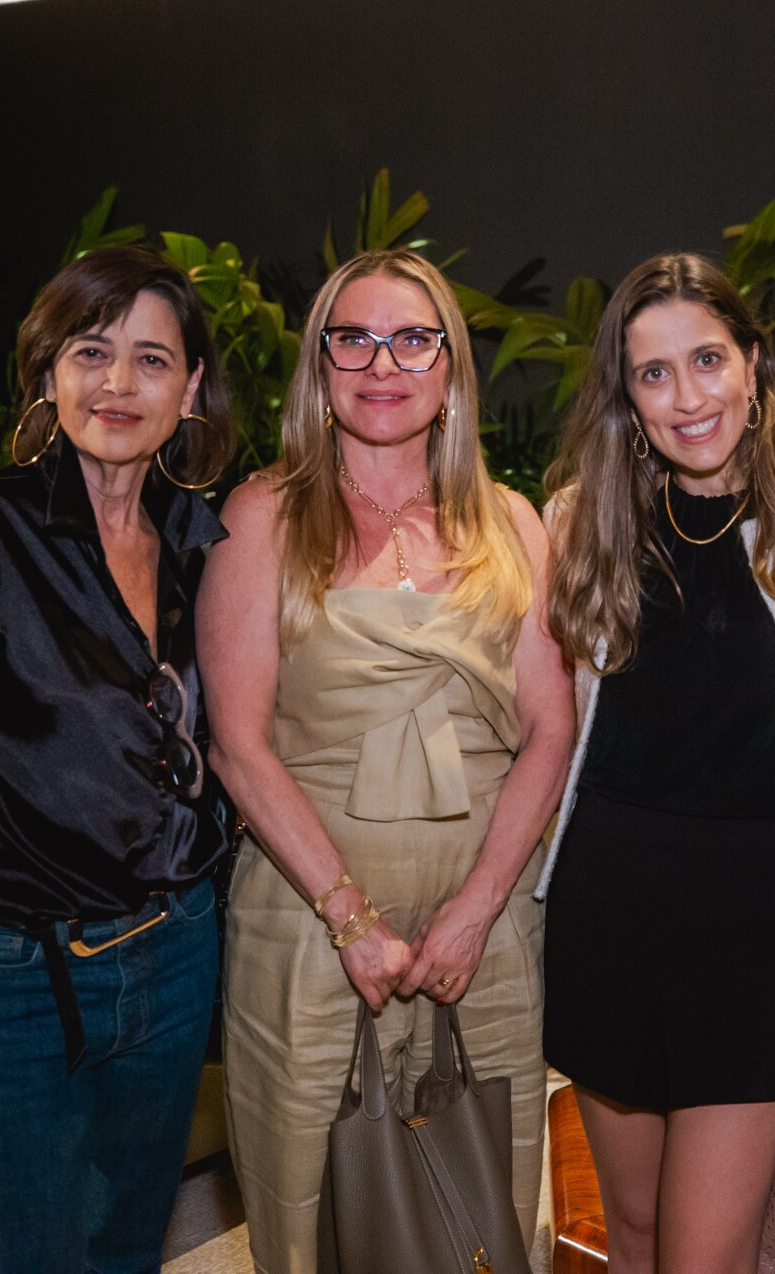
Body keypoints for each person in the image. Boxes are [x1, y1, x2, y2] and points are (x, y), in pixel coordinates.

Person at [0, 246, 238, 1273]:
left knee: (125, 1252)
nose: (119, 384)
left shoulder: (202, 542)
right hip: (12, 975)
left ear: (190, 385)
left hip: (176, 951)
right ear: (48, 373)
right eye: (92, 351)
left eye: (152, 360)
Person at [200, 248, 573, 1273]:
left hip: (486, 928)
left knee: (485, 1194)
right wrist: (351, 917)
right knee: (310, 1201)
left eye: (414, 338)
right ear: (320, 366)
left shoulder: (514, 526)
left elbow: (551, 727)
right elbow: (237, 741)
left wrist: (477, 906)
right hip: (310, 927)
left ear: (450, 368)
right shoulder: (260, 517)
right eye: (352, 337)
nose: (383, 362)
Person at [540, 252, 775, 1273]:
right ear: (627, 393)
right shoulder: (583, 515)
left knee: (711, 1251)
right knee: (638, 1231)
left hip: (758, 926)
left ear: (754, 362)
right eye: (653, 373)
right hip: (609, 910)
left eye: (707, 359)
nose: (687, 396)